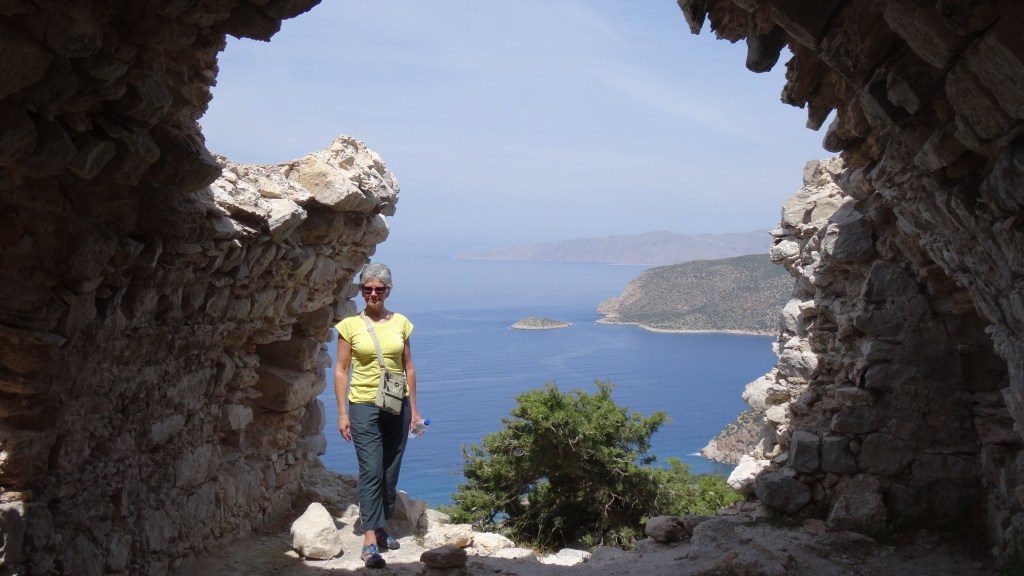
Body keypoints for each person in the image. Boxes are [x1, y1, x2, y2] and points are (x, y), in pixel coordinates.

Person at [334, 263, 420, 569]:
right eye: (367, 289)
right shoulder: (349, 326)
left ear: (388, 291)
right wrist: (343, 412)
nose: (373, 294)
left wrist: (416, 411)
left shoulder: (401, 323)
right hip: (363, 404)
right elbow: (342, 369)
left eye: (379, 289)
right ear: (361, 291)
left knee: (390, 468)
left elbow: (408, 366)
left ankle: (381, 525)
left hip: (397, 402)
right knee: (371, 468)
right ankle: (370, 540)